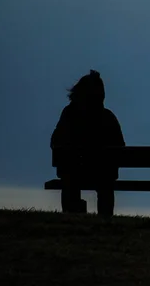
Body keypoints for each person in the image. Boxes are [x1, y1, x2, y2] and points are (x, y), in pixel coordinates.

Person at [50, 70, 125, 217]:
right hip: (102, 174)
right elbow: (120, 147)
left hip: (73, 172)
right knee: (106, 184)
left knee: (69, 180)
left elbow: (55, 141)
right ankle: (105, 218)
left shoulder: (69, 114)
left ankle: (71, 216)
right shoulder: (108, 117)